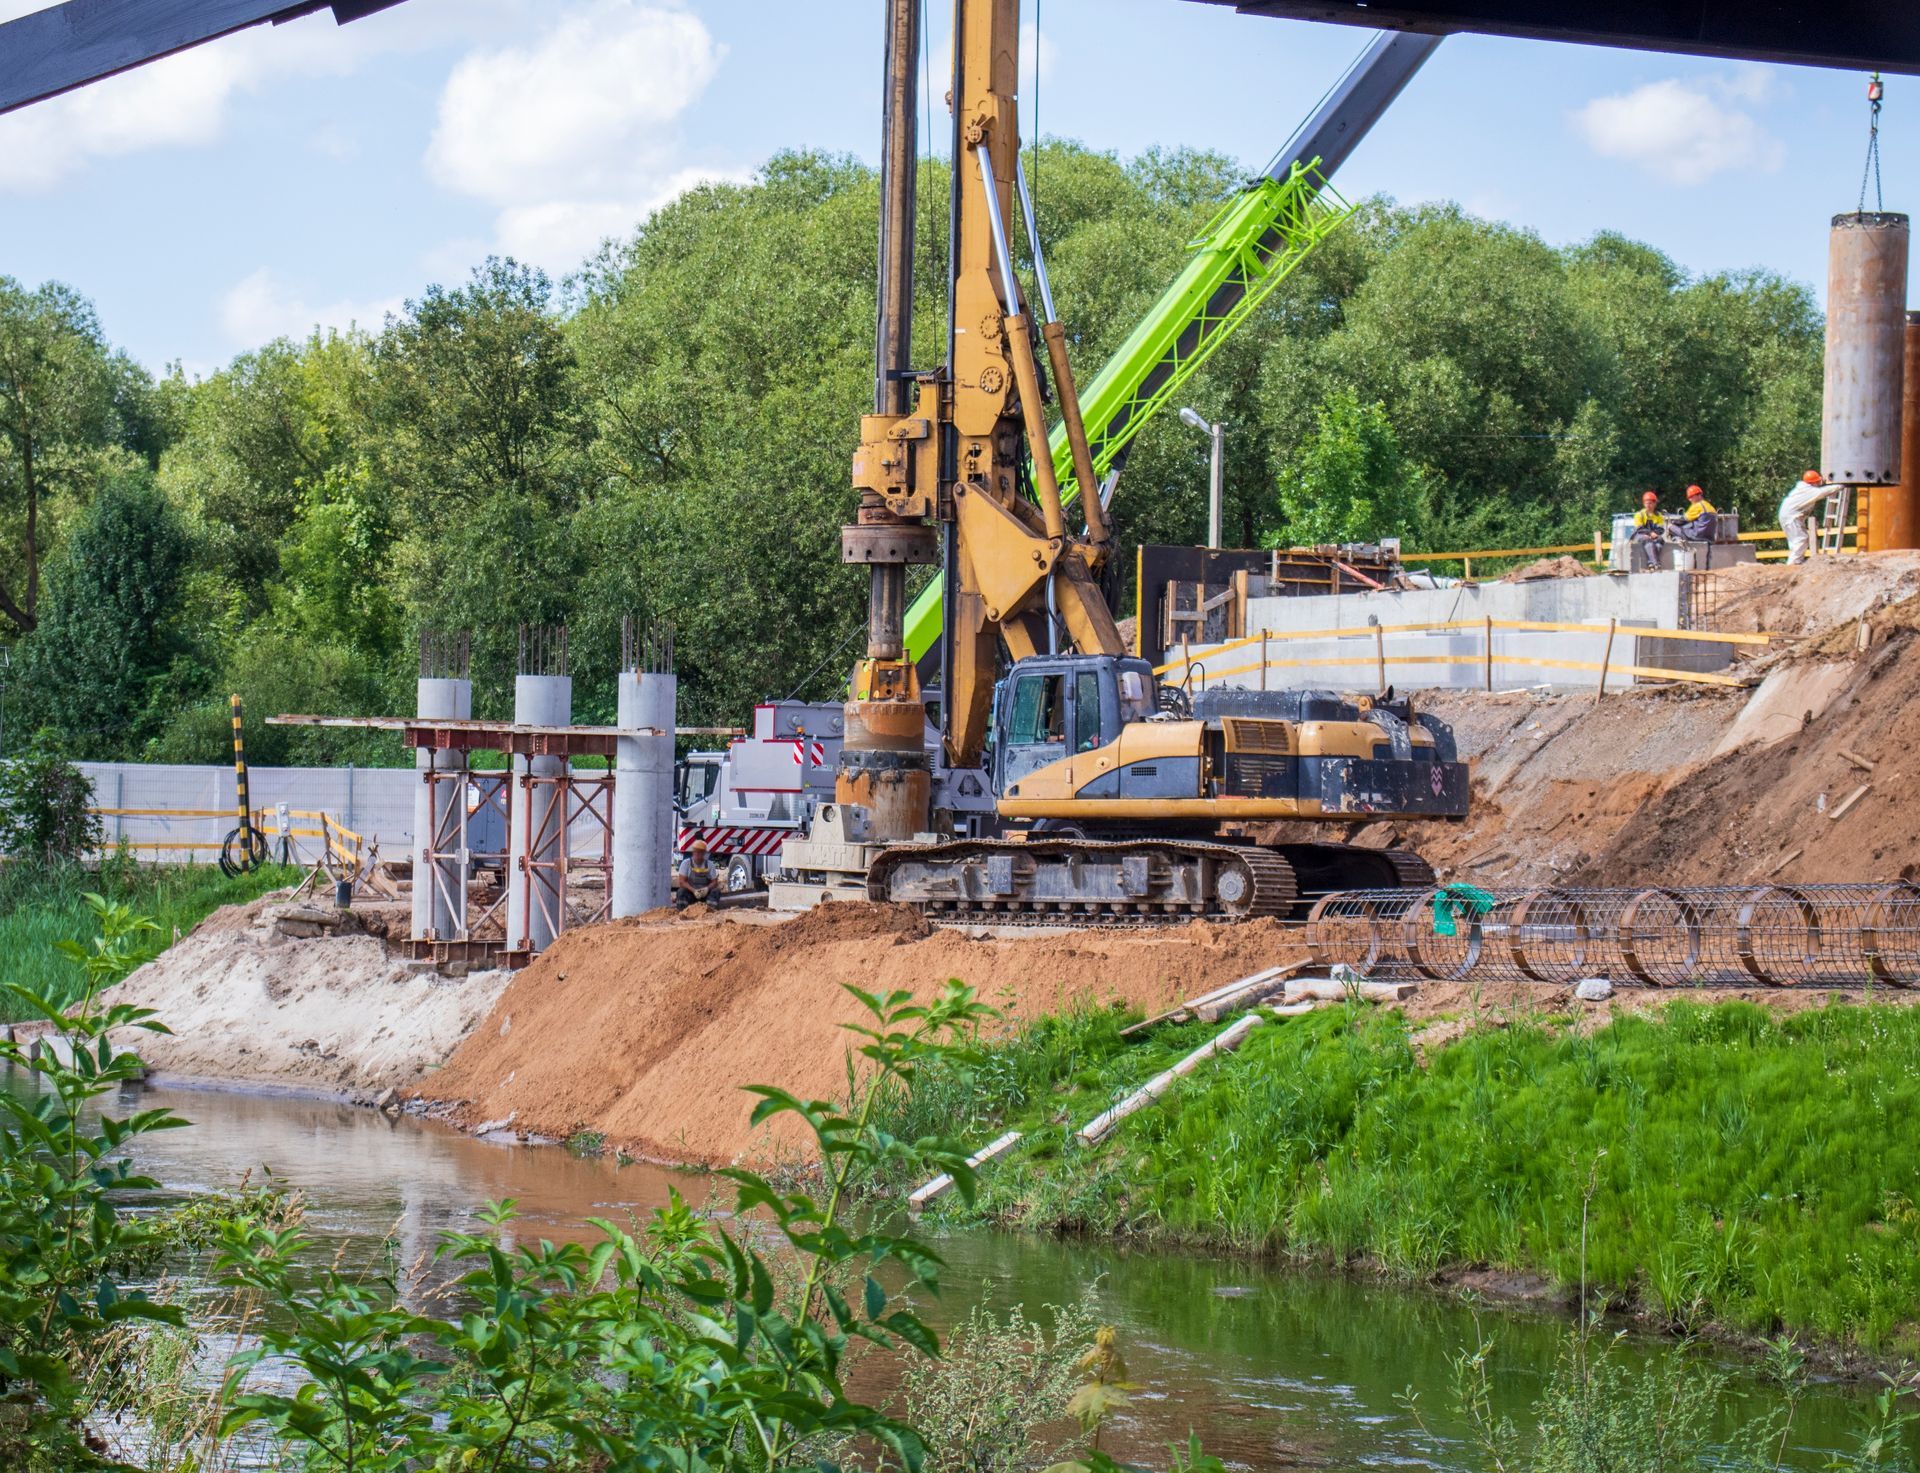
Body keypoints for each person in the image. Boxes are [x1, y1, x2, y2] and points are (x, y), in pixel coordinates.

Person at [1779, 470, 1832, 566]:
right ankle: (1792, 564)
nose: (1819, 483)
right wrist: (1841, 485)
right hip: (1792, 517)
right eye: (1818, 481)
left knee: (1795, 541)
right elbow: (1824, 492)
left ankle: (1797, 561)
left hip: (1787, 516)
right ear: (1814, 482)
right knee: (1801, 539)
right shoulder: (1809, 491)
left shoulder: (1803, 489)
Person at [673, 838, 716, 909]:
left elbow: (714, 882)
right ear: (693, 852)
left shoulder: (710, 865)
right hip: (691, 893)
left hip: (705, 896)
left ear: (704, 853)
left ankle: (710, 911)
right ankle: (682, 912)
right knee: (681, 891)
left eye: (700, 852)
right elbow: (682, 882)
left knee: (715, 891)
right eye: (696, 852)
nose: (698, 854)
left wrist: (706, 889)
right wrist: (694, 891)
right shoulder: (686, 863)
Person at [1629, 490, 1666, 570]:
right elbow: (1639, 529)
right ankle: (1656, 563)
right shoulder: (1639, 514)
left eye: (1650, 503)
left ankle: (1651, 563)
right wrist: (1650, 533)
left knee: (1660, 540)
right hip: (1639, 535)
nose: (1648, 505)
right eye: (1646, 503)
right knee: (1647, 540)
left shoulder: (1658, 515)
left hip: (1652, 535)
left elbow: (1661, 529)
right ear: (1643, 504)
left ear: (1655, 503)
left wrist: (1655, 534)